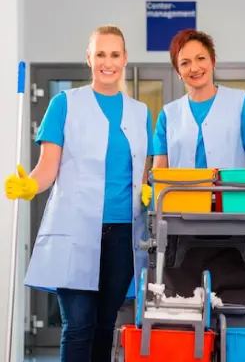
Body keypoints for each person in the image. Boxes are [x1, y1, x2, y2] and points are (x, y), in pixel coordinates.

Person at [4, 25, 154, 361]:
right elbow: (48, 168)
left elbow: (142, 172)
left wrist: (148, 190)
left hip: (123, 235)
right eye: (100, 54)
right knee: (79, 324)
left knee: (105, 324)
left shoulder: (140, 112)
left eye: (115, 54)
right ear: (89, 58)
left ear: (125, 58)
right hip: (75, 231)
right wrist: (30, 185)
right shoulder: (64, 104)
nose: (107, 62)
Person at [152, 28, 245, 305]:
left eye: (200, 58)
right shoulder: (169, 115)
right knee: (185, 319)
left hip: (238, 228)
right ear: (178, 72)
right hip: (184, 231)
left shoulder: (242, 104)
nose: (195, 67)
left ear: (213, 61)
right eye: (185, 63)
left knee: (240, 316)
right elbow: (160, 173)